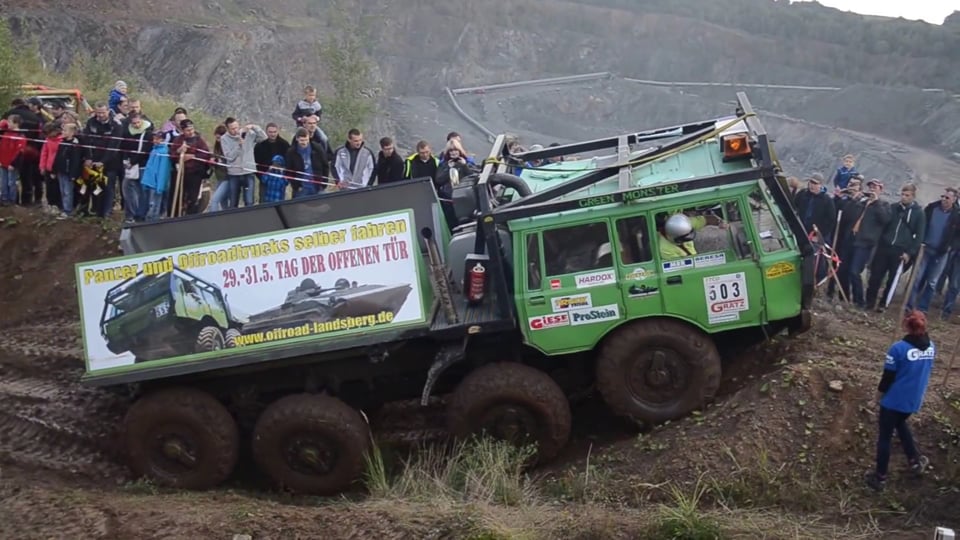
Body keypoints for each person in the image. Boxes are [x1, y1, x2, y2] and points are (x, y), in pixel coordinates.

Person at [864, 310, 934, 492]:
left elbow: (887, 378)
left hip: (894, 401)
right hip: (913, 401)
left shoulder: (898, 349)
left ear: (906, 325)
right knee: (901, 423)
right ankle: (915, 460)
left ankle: (879, 478)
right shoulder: (931, 347)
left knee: (885, 437)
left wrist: (876, 398)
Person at [656, 212, 726, 260]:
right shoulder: (663, 249)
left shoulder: (685, 223)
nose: (687, 240)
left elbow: (707, 219)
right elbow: (682, 266)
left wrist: (720, 222)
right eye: (683, 239)